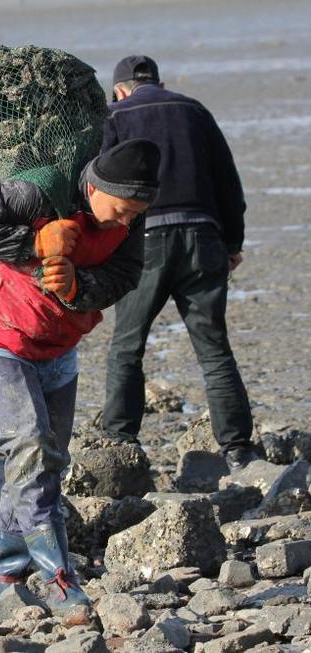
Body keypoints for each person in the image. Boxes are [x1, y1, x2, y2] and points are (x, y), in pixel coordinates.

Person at [0, 139, 161, 623]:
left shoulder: (131, 219)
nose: (126, 222)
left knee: (48, 459)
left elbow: (126, 274)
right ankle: (58, 577)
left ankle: (6, 573)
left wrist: (78, 287)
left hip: (59, 343)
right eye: (121, 210)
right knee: (29, 445)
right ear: (95, 185)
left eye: (136, 214)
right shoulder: (33, 190)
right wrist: (35, 245)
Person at [101, 55, 260, 470]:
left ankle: (121, 442)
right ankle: (239, 449)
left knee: (127, 346)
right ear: (161, 82)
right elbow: (229, 180)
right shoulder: (194, 110)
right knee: (214, 349)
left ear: (120, 89)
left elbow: (100, 183)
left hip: (145, 239)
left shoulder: (114, 115)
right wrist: (233, 241)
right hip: (203, 237)